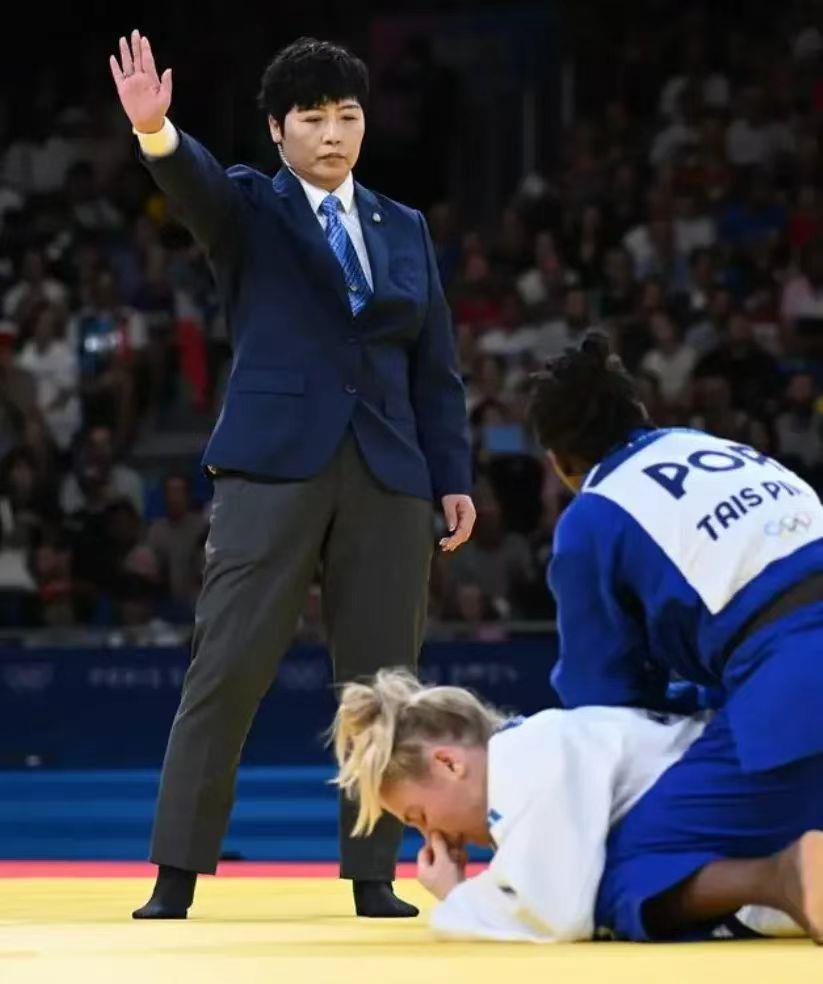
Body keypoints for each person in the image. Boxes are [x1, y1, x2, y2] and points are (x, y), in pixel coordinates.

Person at [109, 31, 475, 919]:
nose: (332, 133)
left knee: (384, 684)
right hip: (272, 467)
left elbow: (435, 368)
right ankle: (176, 875)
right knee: (226, 667)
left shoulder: (403, 226)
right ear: (277, 130)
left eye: (346, 115)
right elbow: (193, 184)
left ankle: (373, 876)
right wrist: (156, 132)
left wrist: (451, 475)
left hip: (389, 473)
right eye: (311, 118)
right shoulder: (248, 206)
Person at [524, 330, 823, 942]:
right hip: (786, 664)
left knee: (618, 873)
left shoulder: (594, 514)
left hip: (797, 679)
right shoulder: (718, 448)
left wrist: (682, 701)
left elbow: (601, 698)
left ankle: (783, 877)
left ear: (559, 461)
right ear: (640, 413)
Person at [332, 668, 815, 942]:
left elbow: (558, 913)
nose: (431, 836)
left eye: (418, 817)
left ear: (449, 764)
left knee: (609, 896)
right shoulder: (534, 750)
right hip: (772, 804)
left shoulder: (527, 760)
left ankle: (788, 877)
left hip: (779, 802)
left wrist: (457, 896)